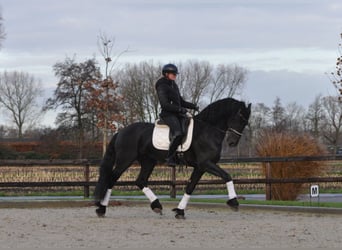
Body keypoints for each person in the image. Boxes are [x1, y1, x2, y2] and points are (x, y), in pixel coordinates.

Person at [155, 63, 199, 166]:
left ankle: (182, 154)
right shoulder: (162, 85)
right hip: (167, 114)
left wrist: (193, 106)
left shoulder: (173, 85)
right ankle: (169, 157)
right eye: (173, 73)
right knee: (178, 132)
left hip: (177, 113)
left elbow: (181, 101)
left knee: (188, 129)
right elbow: (165, 104)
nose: (175, 75)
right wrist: (180, 109)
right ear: (166, 74)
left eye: (175, 74)